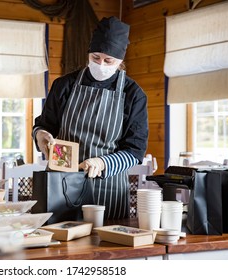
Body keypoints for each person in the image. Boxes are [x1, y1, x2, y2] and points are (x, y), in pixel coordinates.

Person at [32, 16, 148, 220]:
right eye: (95, 57)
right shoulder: (64, 85)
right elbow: (44, 125)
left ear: (120, 60)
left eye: (108, 60)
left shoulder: (133, 94)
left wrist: (102, 163)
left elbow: (134, 151)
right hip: (61, 185)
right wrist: (41, 135)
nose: (101, 64)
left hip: (108, 189)